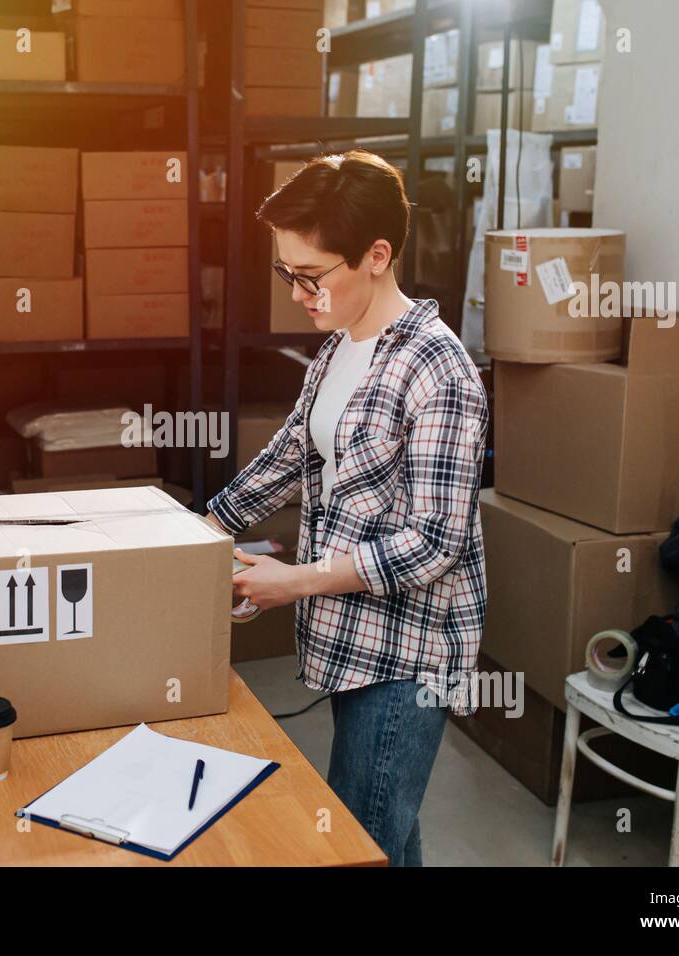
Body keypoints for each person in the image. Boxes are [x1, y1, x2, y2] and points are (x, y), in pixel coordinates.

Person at [205, 150, 489, 866]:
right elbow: (296, 451)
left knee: (357, 840)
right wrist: (205, 530)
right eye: (287, 273)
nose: (298, 292)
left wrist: (291, 581)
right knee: (385, 826)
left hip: (406, 657)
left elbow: (433, 543)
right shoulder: (342, 346)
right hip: (348, 637)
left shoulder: (440, 370)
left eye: (311, 275)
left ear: (376, 255)